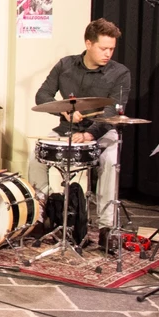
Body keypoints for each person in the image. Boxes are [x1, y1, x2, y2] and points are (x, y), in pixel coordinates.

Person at [30, 18, 130, 254]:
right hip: (67, 130)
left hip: (102, 131)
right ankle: (44, 211)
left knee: (110, 161)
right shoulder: (65, 65)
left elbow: (112, 110)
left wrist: (89, 133)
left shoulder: (119, 73)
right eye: (103, 48)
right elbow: (42, 95)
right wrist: (63, 109)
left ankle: (107, 227)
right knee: (36, 157)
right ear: (88, 43)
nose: (108, 53)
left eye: (111, 49)